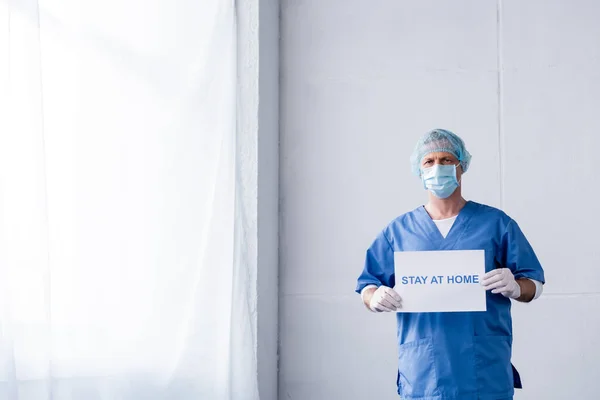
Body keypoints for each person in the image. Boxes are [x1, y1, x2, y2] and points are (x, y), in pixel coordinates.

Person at [356, 129, 545, 400]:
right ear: (419, 170)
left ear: (461, 166)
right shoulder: (399, 231)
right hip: (424, 370)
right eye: (429, 162)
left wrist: (516, 286)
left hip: (483, 368)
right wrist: (374, 296)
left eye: (446, 159)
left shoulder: (496, 224)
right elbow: (367, 284)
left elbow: (534, 284)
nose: (438, 167)